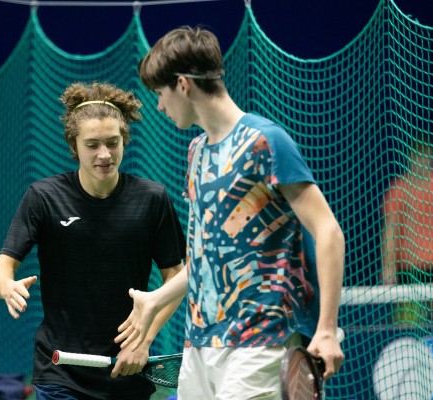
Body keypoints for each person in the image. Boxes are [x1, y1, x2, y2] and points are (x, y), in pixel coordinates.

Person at [114, 26, 346, 400]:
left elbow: (328, 230)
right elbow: (207, 253)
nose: (159, 106)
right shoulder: (197, 153)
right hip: (199, 345)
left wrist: (327, 329)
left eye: (160, 93)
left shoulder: (265, 141)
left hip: (261, 340)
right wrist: (157, 298)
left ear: (183, 85)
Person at [0, 82, 186, 400]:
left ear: (124, 141)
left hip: (127, 369)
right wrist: (6, 287)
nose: (104, 154)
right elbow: (0, 269)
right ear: (74, 145)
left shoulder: (152, 199)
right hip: (60, 371)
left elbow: (176, 277)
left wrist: (143, 340)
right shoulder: (43, 197)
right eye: (92, 145)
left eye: (113, 143)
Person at [381, 133, 433, 324]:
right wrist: (388, 267)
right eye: (419, 156)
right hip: (409, 268)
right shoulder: (398, 189)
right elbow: (390, 231)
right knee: (407, 323)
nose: (423, 162)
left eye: (427, 157)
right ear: (411, 158)